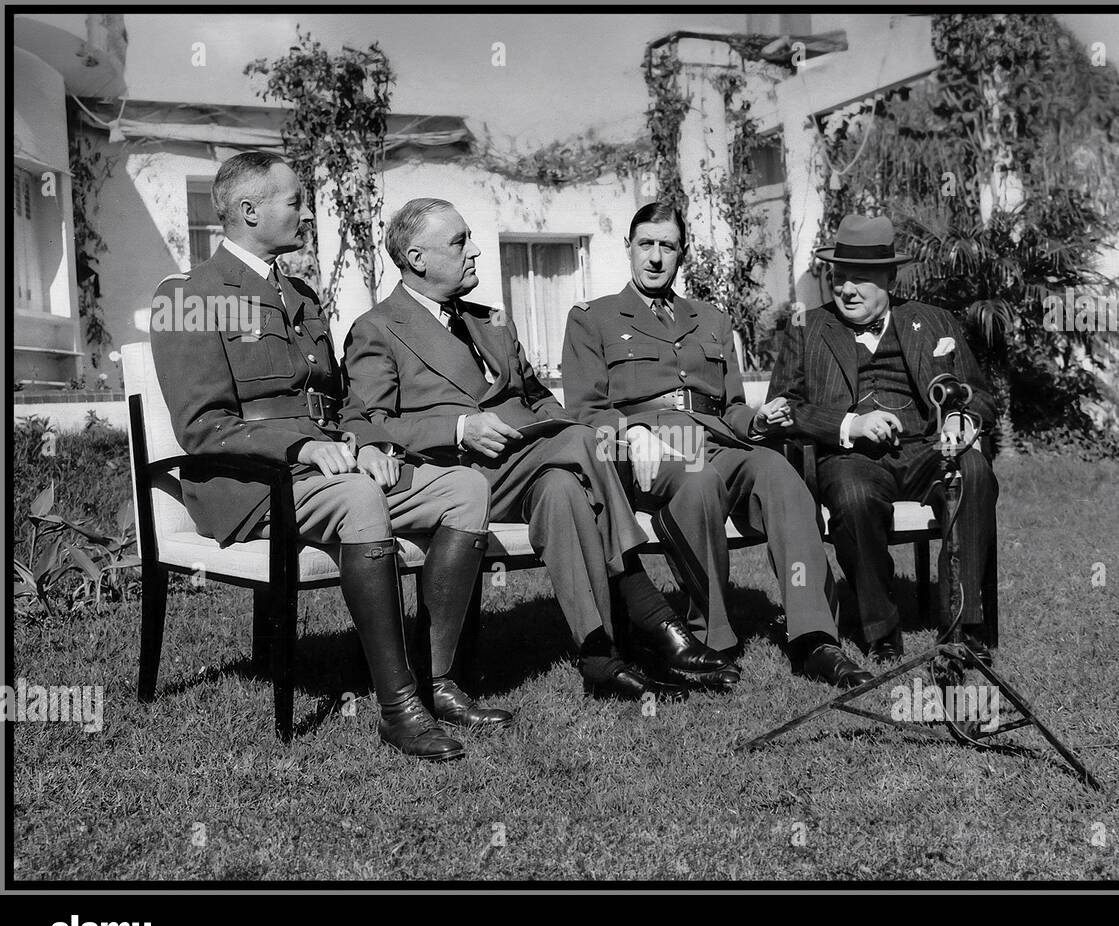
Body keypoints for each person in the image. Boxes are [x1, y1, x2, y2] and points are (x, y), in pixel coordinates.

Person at [150, 152, 504, 763]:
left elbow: (336, 401)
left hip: (325, 465)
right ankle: (399, 708)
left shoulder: (299, 293)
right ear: (248, 210)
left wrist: (365, 444)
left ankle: (438, 681)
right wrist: (305, 446)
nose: (309, 212)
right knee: (361, 499)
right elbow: (203, 426)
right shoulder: (189, 296)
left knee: (464, 490)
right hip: (249, 481)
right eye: (295, 201)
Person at [343, 198, 736, 703]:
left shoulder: (492, 322)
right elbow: (367, 422)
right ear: (417, 259)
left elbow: (537, 396)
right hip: (454, 479)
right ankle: (650, 612)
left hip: (527, 462)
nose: (476, 251)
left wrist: (546, 425)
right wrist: (457, 427)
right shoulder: (377, 328)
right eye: (461, 242)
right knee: (580, 439)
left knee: (563, 489)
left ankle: (600, 657)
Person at [562, 202, 870, 689]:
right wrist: (629, 432)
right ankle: (712, 637)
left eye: (668, 246)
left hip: (715, 439)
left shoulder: (710, 319)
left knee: (779, 475)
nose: (656, 257)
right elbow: (584, 410)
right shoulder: (592, 318)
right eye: (647, 244)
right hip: (643, 450)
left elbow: (730, 408)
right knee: (698, 479)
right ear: (628, 248)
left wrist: (759, 419)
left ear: (681, 254)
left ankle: (814, 637)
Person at [767, 215, 999, 664]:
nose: (847, 289)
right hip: (853, 458)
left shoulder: (934, 322)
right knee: (853, 497)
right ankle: (882, 630)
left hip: (930, 449)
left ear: (889, 278)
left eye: (861, 279)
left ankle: (964, 626)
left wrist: (962, 419)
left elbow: (980, 395)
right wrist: (847, 424)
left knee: (972, 470)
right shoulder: (807, 327)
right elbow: (782, 408)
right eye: (839, 278)